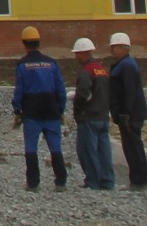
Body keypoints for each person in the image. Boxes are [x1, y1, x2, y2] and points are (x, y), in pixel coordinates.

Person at [9, 26, 68, 190]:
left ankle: (33, 183)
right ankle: (61, 181)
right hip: (51, 110)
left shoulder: (22, 65)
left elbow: (19, 90)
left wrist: (18, 110)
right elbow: (61, 89)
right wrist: (60, 109)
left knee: (31, 147)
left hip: (32, 112)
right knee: (55, 146)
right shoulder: (51, 63)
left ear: (24, 43)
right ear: (39, 42)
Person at [106, 30, 147, 189]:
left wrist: (126, 112)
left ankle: (140, 180)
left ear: (124, 48)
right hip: (128, 114)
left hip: (131, 115)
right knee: (131, 146)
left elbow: (129, 91)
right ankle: (138, 178)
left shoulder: (126, 66)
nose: (112, 50)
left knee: (133, 147)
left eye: (115, 47)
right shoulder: (123, 64)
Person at [70, 36, 116, 190]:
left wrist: (76, 105)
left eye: (77, 54)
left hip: (88, 117)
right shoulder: (101, 69)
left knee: (88, 151)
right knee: (104, 150)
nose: (76, 57)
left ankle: (93, 182)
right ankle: (107, 181)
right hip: (103, 116)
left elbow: (83, 94)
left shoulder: (85, 71)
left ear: (83, 53)